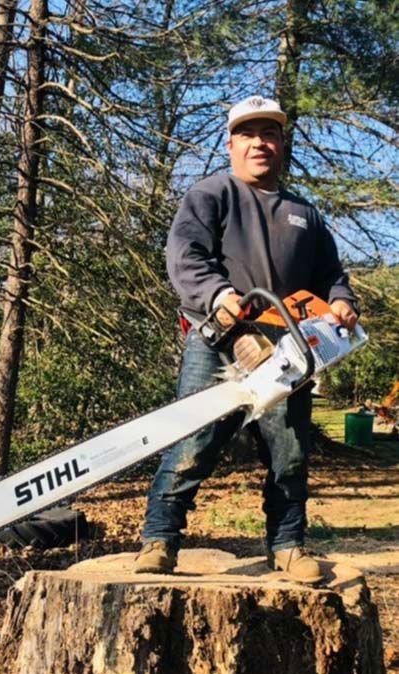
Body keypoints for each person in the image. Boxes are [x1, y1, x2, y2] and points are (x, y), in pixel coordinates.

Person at [135, 94, 359, 583]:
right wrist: (218, 294)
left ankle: (288, 546)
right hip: (219, 338)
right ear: (232, 143)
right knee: (195, 439)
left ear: (282, 144)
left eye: (270, 134)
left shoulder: (305, 213)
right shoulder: (211, 194)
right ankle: (160, 540)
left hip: (287, 349)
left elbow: (332, 275)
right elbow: (186, 256)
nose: (260, 143)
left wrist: (342, 301)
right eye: (249, 134)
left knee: (290, 448)